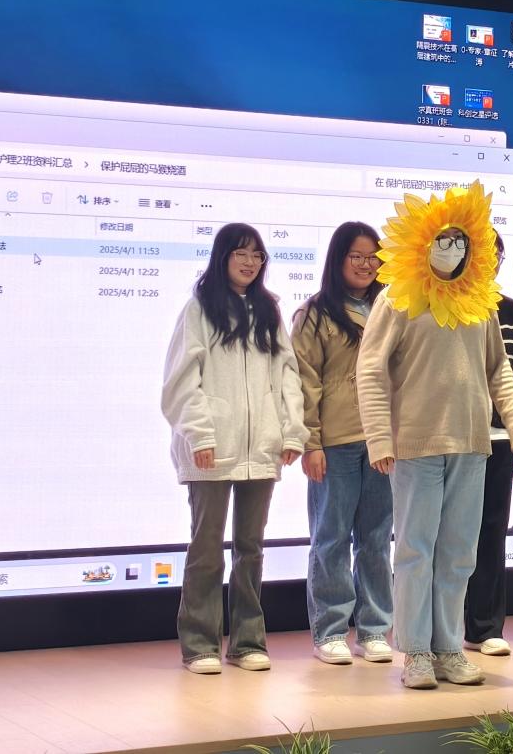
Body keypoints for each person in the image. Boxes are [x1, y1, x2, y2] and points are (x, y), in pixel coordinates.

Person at [358, 186, 513, 690]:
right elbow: (370, 369)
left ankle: (449, 647)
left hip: (473, 443)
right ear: (424, 240)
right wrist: (379, 438)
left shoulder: (481, 302)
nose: (453, 249)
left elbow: (499, 370)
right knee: (416, 548)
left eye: (462, 241)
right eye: (444, 240)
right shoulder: (398, 296)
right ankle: (415, 650)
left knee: (458, 551)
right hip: (416, 443)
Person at [160, 223, 307, 675]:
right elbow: (181, 379)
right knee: (206, 549)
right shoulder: (199, 308)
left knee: (251, 548)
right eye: (241, 253)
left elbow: (288, 375)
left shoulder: (268, 310)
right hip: (211, 448)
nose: (249, 262)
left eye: (257, 255)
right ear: (222, 257)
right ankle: (199, 645)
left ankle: (247, 642)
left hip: (260, 448)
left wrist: (291, 432)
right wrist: (200, 435)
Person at [292, 222, 394, 667]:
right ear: (338, 259)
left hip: (383, 442)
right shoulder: (314, 313)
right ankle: (330, 631)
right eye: (357, 256)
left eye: (374, 257)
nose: (366, 264)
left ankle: (373, 630)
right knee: (331, 538)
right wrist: (310, 442)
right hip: (334, 443)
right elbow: (304, 382)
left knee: (376, 539)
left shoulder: (393, 306)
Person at [463, 231, 513, 658]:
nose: (489, 262)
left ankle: (485, 627)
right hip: (455, 439)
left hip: (498, 438)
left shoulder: (508, 310)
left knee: (492, 531)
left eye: (496, 256)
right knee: (452, 534)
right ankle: (439, 629)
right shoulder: (444, 302)